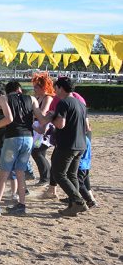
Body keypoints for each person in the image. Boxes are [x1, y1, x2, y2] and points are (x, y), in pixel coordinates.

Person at [0, 81, 40, 216]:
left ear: (8, 91)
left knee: (4, 172)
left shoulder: (4, 98)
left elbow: (9, 119)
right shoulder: (32, 99)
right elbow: (41, 118)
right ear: (19, 89)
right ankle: (21, 205)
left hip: (12, 139)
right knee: (20, 173)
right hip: (28, 139)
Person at [36, 77, 90, 217]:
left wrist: (52, 115)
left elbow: (60, 124)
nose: (54, 91)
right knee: (72, 175)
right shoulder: (80, 104)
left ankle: (78, 202)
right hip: (81, 144)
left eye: (56, 88)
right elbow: (87, 126)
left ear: (60, 88)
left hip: (67, 144)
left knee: (59, 173)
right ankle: (73, 205)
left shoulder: (63, 103)